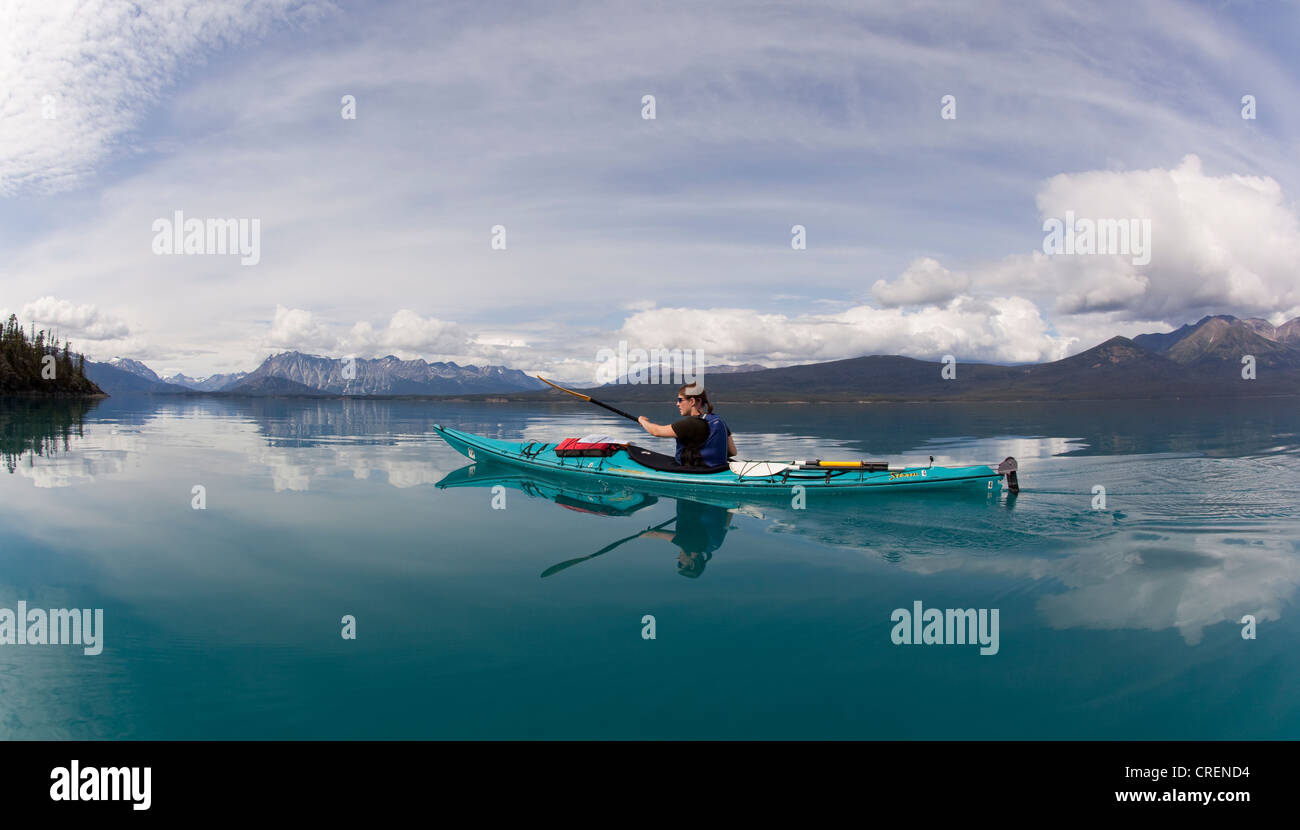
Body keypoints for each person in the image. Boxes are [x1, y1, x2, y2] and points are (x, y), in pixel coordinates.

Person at [637, 382, 736, 468]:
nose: (677, 404)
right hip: (717, 468)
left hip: (699, 471)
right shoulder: (718, 420)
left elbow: (656, 431)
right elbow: (732, 452)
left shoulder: (691, 424)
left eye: (680, 400)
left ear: (692, 401)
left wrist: (642, 421)